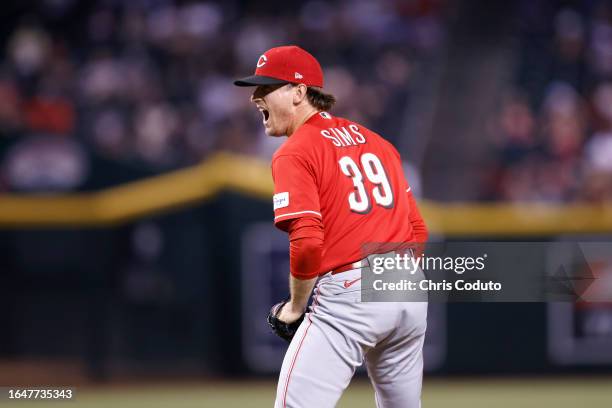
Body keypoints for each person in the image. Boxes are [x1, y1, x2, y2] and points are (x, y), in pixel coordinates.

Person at [234, 45, 428, 408]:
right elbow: (417, 231)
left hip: (351, 294)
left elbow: (307, 242)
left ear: (299, 92)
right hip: (407, 285)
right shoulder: (379, 143)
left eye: (265, 88)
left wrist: (294, 307)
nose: (254, 98)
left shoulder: (296, 151)